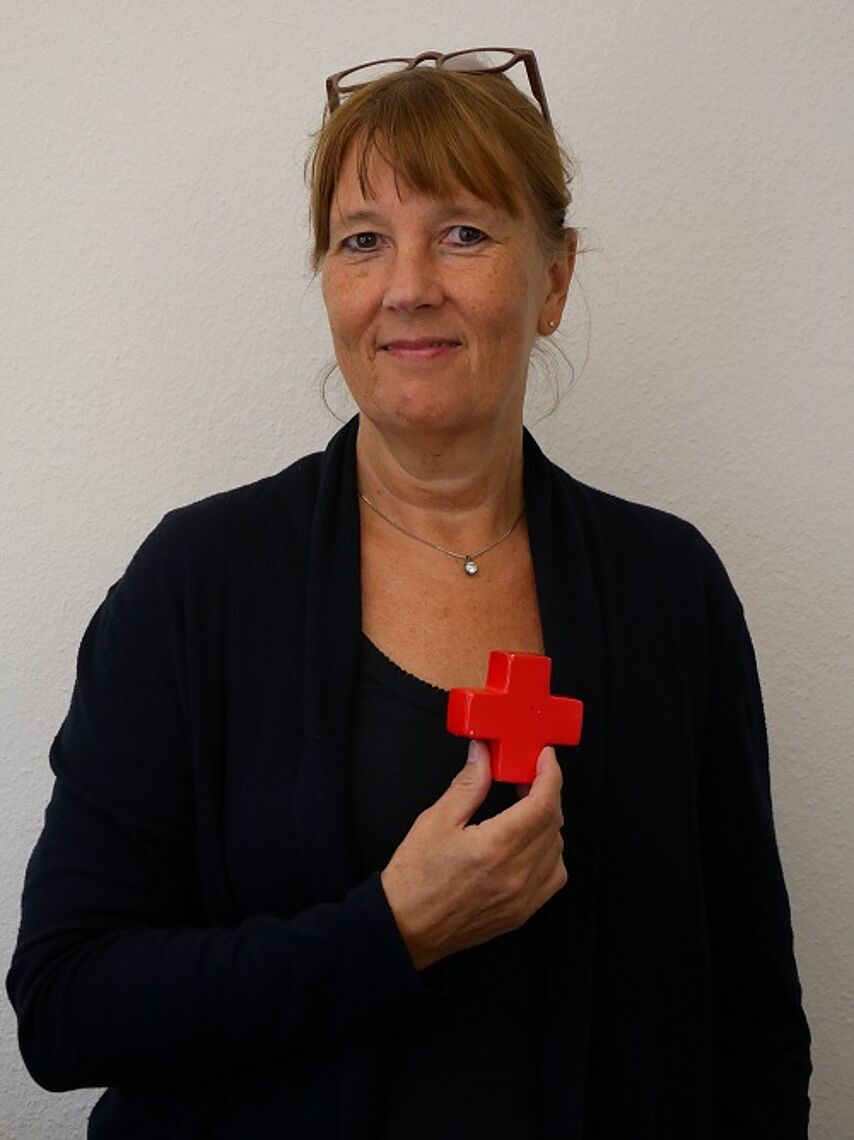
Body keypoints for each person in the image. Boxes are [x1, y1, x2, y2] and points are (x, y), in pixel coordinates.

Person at [7, 49, 811, 1138]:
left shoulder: (671, 590)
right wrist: (391, 931)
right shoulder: (196, 584)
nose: (408, 285)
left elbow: (752, 1026)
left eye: (464, 232)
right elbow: (66, 1007)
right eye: (363, 240)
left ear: (554, 281)